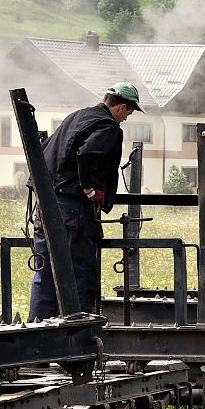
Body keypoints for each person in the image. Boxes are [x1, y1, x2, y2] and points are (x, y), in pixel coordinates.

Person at [28, 82, 144, 321]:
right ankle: (77, 334)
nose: (126, 119)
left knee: (45, 270)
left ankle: (37, 331)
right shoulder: (108, 126)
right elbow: (87, 153)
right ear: (122, 107)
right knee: (78, 270)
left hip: (47, 202)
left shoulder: (77, 116)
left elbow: (45, 149)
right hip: (72, 208)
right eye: (129, 113)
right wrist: (90, 189)